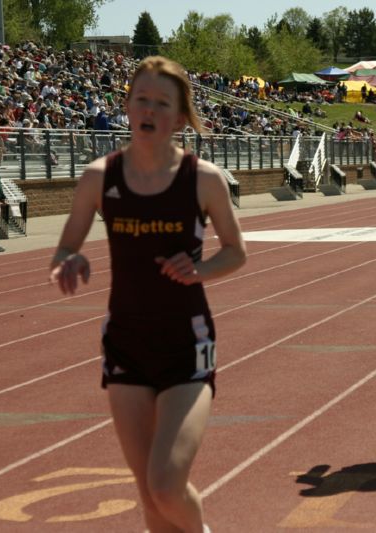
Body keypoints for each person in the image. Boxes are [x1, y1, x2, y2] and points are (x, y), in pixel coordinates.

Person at [49, 56, 246, 533]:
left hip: (186, 345)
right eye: (142, 99)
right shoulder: (100, 177)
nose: (150, 110)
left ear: (180, 117)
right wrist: (69, 260)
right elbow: (66, 244)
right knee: (148, 496)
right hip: (126, 344)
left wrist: (199, 269)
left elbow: (236, 253)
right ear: (127, 105)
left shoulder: (204, 179)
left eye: (162, 103)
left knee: (165, 484)